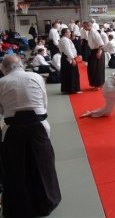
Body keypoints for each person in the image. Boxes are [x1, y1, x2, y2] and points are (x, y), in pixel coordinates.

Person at [0, 55, 61, 217]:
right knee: (44, 165)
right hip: (39, 125)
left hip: (13, 128)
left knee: (16, 167)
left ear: (4, 69)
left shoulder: (1, 82)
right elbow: (44, 103)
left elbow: (1, 110)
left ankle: (20, 206)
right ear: (21, 64)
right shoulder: (36, 77)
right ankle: (47, 200)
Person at [58, 28, 81, 94]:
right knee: (72, 73)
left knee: (67, 73)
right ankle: (73, 89)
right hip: (68, 58)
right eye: (69, 32)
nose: (70, 33)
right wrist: (72, 59)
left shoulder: (65, 39)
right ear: (65, 33)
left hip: (67, 58)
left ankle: (68, 88)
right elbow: (67, 50)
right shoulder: (64, 40)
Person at [83, 21, 105, 90]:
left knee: (97, 69)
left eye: (84, 26)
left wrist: (98, 52)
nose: (83, 28)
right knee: (92, 68)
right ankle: (97, 84)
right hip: (93, 51)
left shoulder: (94, 32)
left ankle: (98, 85)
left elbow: (101, 44)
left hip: (98, 51)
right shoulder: (90, 32)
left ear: (88, 26)